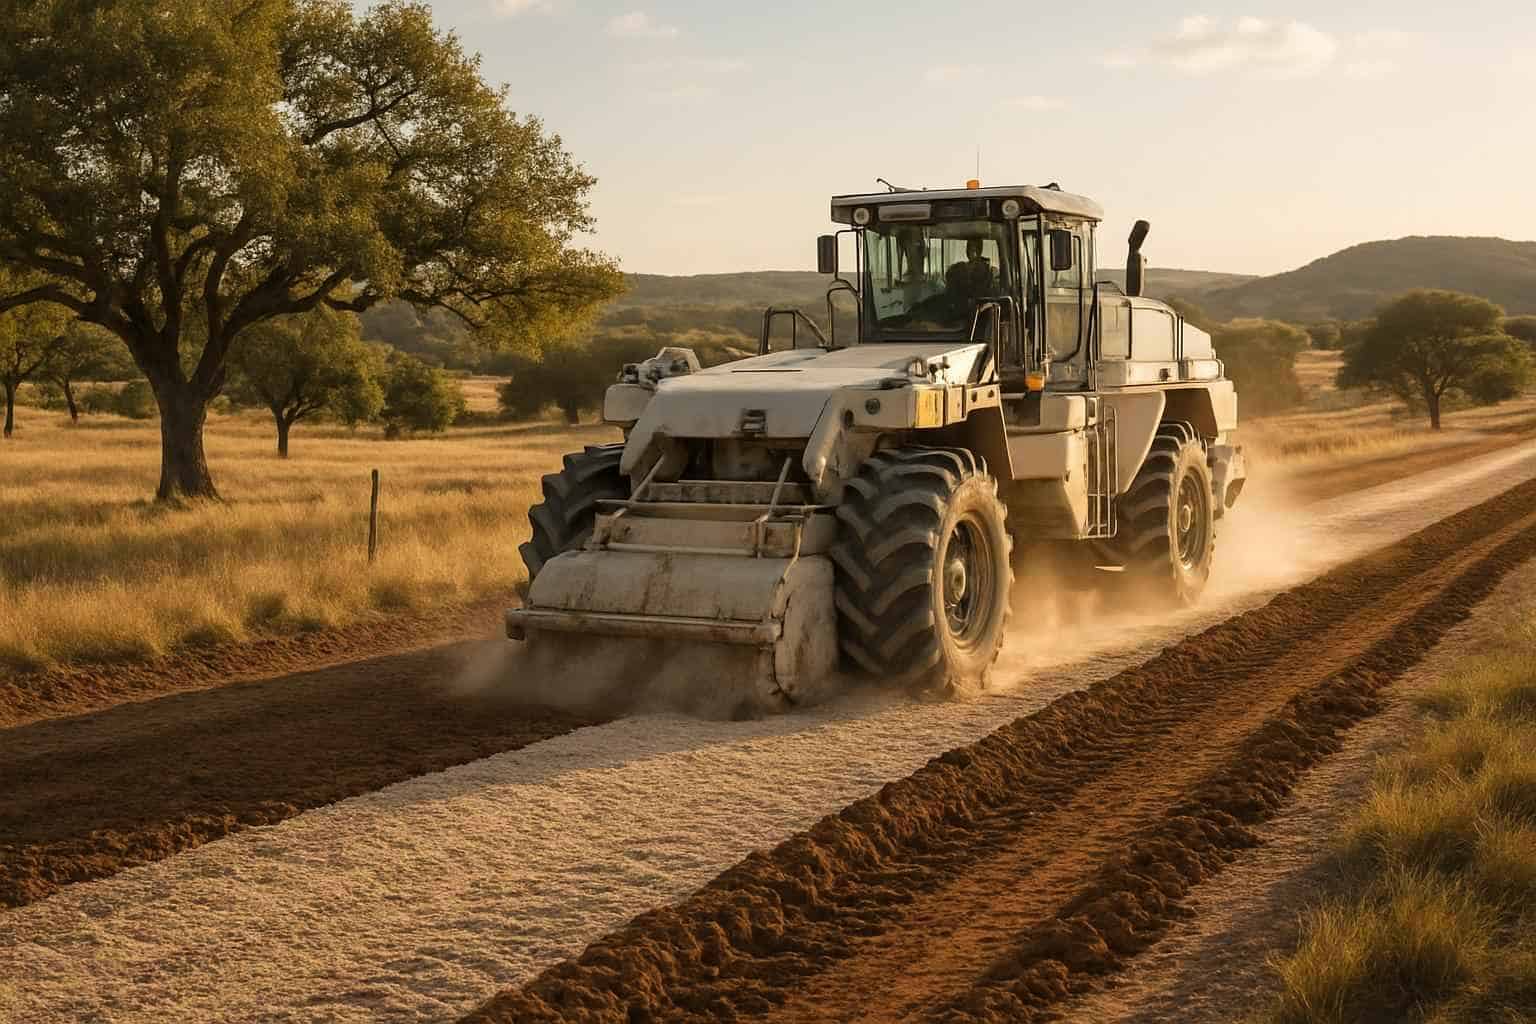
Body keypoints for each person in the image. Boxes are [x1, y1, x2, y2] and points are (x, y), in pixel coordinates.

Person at [946, 238, 995, 302]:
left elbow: (989, 293)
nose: (972, 251)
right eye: (969, 247)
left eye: (975, 248)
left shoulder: (987, 271)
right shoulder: (958, 268)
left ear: (980, 250)